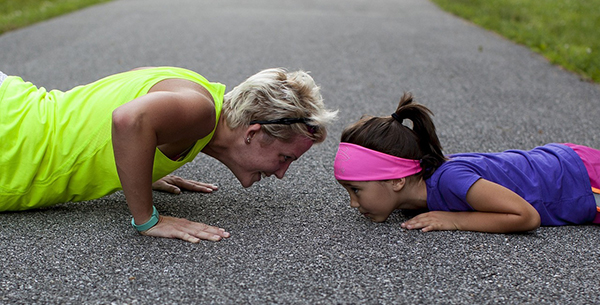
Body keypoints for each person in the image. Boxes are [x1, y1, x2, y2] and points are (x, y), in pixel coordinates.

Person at [0, 67, 337, 243]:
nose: (282, 173)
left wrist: (139, 165)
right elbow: (128, 119)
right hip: (11, 139)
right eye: (285, 158)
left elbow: (112, 103)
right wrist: (148, 219)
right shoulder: (200, 111)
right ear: (253, 133)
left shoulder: (198, 95)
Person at [334, 92, 600, 233]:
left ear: (396, 180)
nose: (353, 203)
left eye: (356, 190)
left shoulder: (450, 180)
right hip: (569, 163)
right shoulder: (415, 195)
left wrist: (455, 220)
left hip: (582, 179)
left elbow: (526, 216)